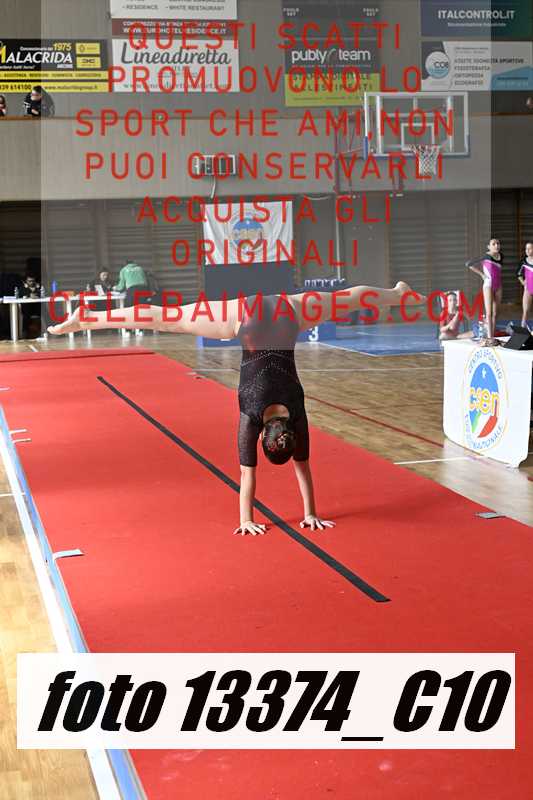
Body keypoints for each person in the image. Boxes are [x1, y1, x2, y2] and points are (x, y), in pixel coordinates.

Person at [48, 282, 425, 535]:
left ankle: (396, 293)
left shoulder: (295, 412)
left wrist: (311, 512)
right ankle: (88, 320)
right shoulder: (251, 414)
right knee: (171, 320)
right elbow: (249, 475)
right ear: (262, 436)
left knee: (347, 298)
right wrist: (248, 519)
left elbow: (303, 468)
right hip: (246, 319)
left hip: (285, 311)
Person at [466, 238, 503, 340]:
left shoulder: (501, 256)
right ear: (489, 247)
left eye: (498, 243)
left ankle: (493, 334)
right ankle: (490, 337)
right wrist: (482, 274)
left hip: (498, 285)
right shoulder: (485, 256)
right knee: (489, 313)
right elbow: (469, 264)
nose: (496, 245)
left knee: (495, 313)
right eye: (493, 244)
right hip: (488, 285)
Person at [517, 242, 533, 331]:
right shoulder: (524, 261)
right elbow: (518, 274)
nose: (527, 250)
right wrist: (523, 283)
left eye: (530, 248)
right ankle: (522, 331)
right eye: (526, 249)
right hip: (528, 289)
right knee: (525, 311)